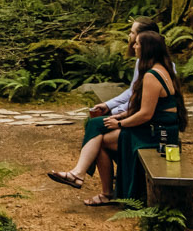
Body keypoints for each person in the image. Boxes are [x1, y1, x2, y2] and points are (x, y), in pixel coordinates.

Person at [58, 31, 184, 206]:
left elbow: (146, 114)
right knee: (96, 125)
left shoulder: (152, 75)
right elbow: (147, 108)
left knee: (99, 136)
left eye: (137, 43)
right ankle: (84, 179)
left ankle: (88, 181)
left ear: (147, 48)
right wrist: (122, 114)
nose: (134, 46)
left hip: (157, 135)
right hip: (155, 129)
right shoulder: (160, 69)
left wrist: (120, 123)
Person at [52, 20, 159, 193]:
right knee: (94, 125)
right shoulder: (143, 63)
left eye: (133, 34)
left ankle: (80, 175)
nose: (130, 38)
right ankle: (88, 180)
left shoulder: (155, 70)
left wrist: (117, 116)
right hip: (136, 119)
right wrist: (108, 106)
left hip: (147, 127)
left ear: (145, 38)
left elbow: (142, 107)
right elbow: (132, 93)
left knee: (95, 126)